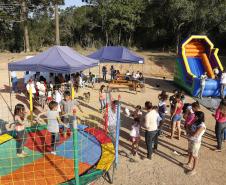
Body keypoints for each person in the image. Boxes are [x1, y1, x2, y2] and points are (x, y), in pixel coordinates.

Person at [184, 111, 206, 176]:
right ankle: (189, 163)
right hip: (191, 140)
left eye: (196, 116)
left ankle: (194, 169)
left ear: (199, 117)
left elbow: (194, 134)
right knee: (190, 152)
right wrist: (188, 128)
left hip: (195, 142)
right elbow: (190, 126)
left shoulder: (202, 126)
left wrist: (188, 130)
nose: (194, 117)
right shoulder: (196, 121)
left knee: (195, 156)